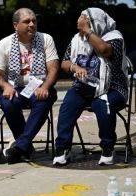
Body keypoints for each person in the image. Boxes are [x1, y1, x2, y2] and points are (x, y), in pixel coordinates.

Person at [53, 8, 128, 166]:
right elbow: (65, 63)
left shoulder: (114, 37)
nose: (79, 22)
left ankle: (108, 148)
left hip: (113, 87)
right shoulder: (76, 39)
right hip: (84, 86)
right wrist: (75, 68)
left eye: (84, 19)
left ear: (95, 23)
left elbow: (104, 50)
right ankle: (62, 148)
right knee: (67, 106)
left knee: (102, 103)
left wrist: (87, 32)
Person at [0, 8, 59, 164]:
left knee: (43, 100)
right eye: (27, 21)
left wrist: (45, 87)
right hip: (15, 87)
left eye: (34, 21)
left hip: (40, 85)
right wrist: (5, 86)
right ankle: (25, 147)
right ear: (15, 25)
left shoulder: (45, 39)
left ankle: (19, 147)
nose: (32, 24)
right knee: (8, 102)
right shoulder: (5, 44)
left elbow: (53, 69)